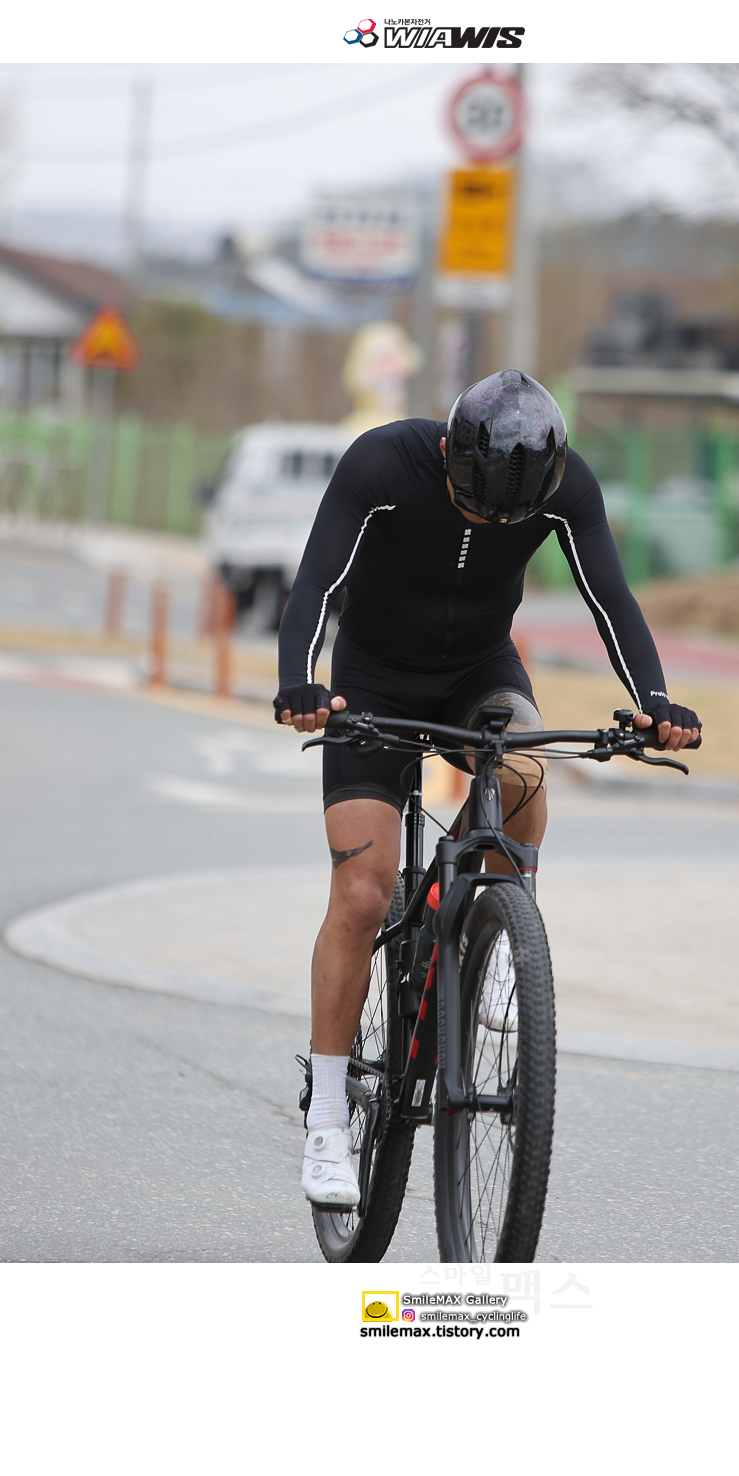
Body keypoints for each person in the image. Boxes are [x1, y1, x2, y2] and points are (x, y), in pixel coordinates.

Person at [273, 370, 702, 1207]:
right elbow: (315, 586)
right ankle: (326, 1118)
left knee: (526, 767)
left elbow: (610, 599)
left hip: (479, 670)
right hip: (373, 681)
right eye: (474, 506)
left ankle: (500, 931)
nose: (488, 525)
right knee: (362, 893)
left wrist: (654, 700)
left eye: (509, 518)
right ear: (448, 453)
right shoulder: (382, 463)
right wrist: (300, 679)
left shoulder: (565, 486)